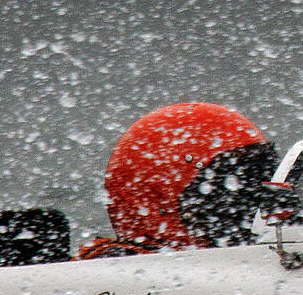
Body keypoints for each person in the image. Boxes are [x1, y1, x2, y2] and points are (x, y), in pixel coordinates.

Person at [78, 102, 277, 259]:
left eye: (260, 177)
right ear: (163, 196)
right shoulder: (118, 281)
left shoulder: (264, 256)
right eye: (237, 184)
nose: (254, 198)